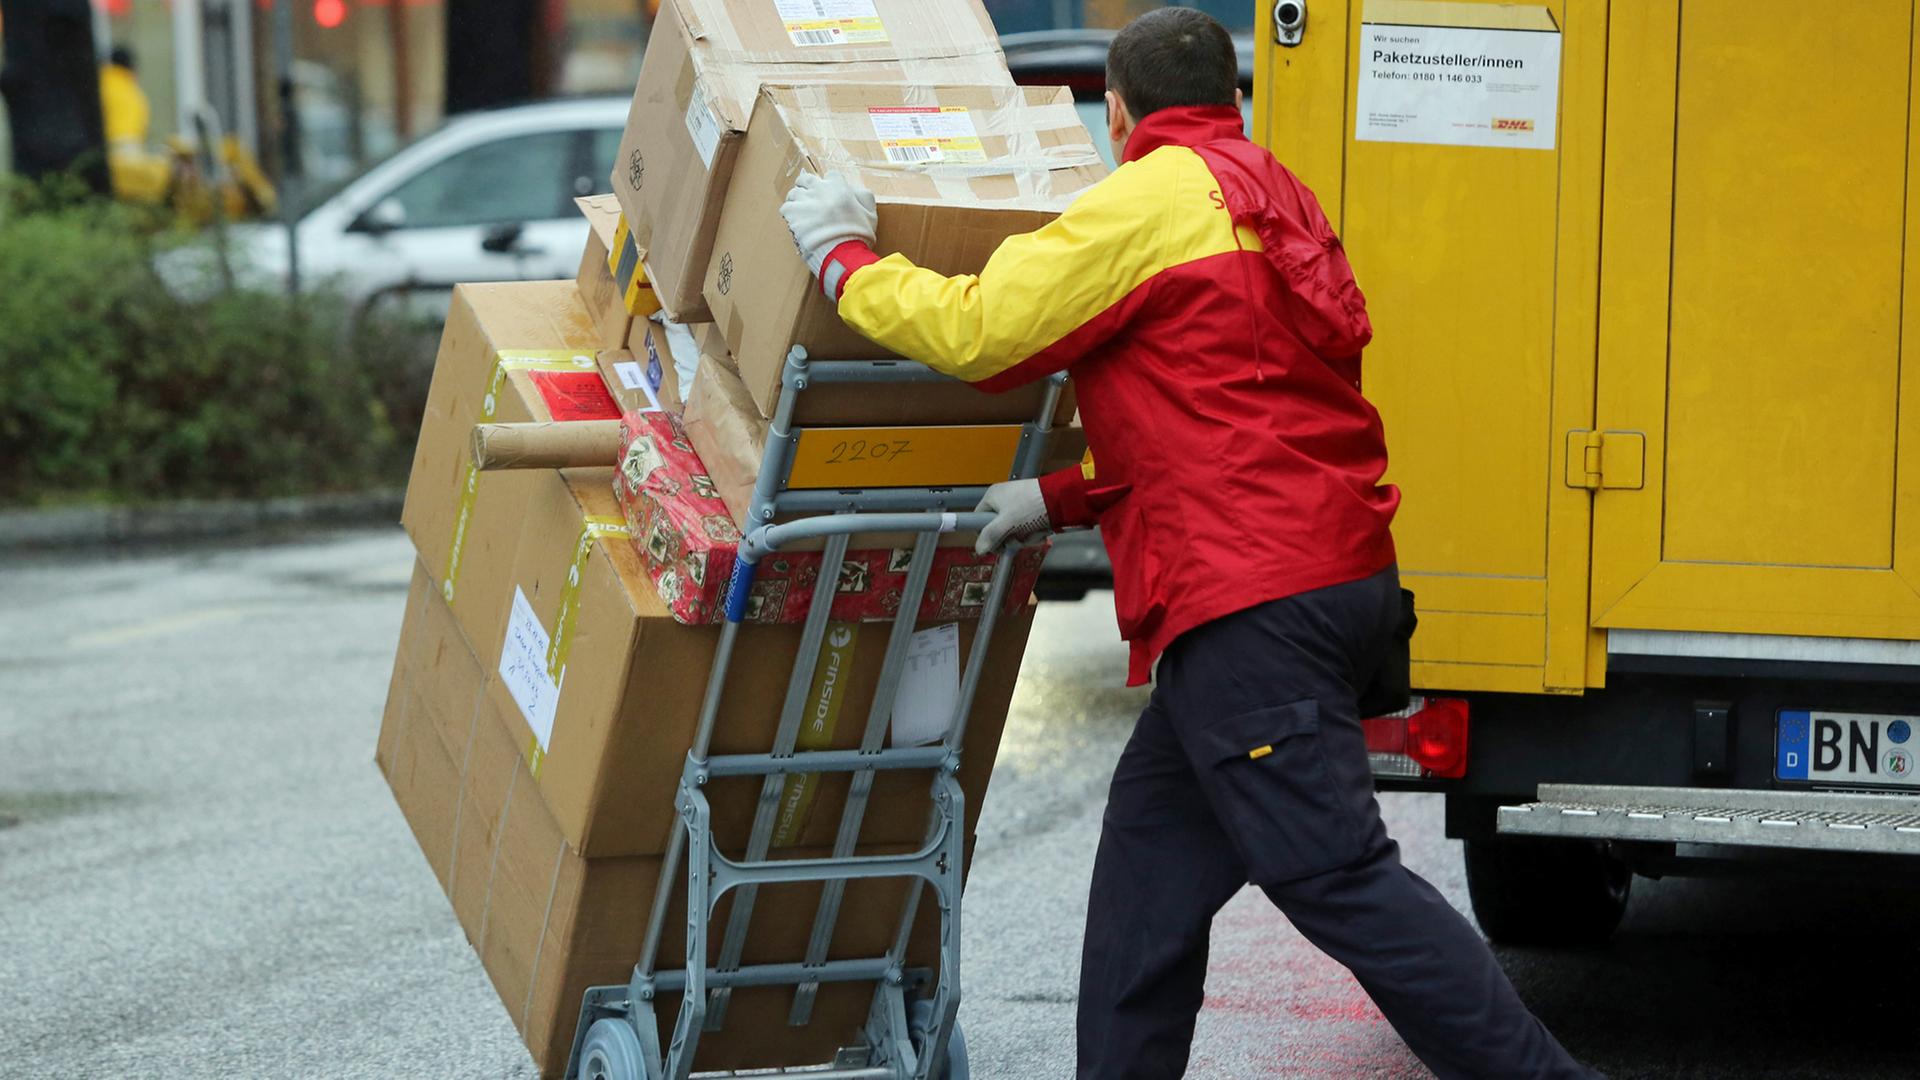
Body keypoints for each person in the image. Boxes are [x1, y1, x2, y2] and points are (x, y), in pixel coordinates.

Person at [779, 8, 1597, 1079]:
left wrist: (842, 254)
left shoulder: (1142, 206)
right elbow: (1241, 412)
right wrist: (1067, 495)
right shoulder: (1277, 193)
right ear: (1230, 96)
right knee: (1148, 875)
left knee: (1337, 877)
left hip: (1251, 606)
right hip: (1330, 581)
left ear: (1118, 111)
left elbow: (977, 332)